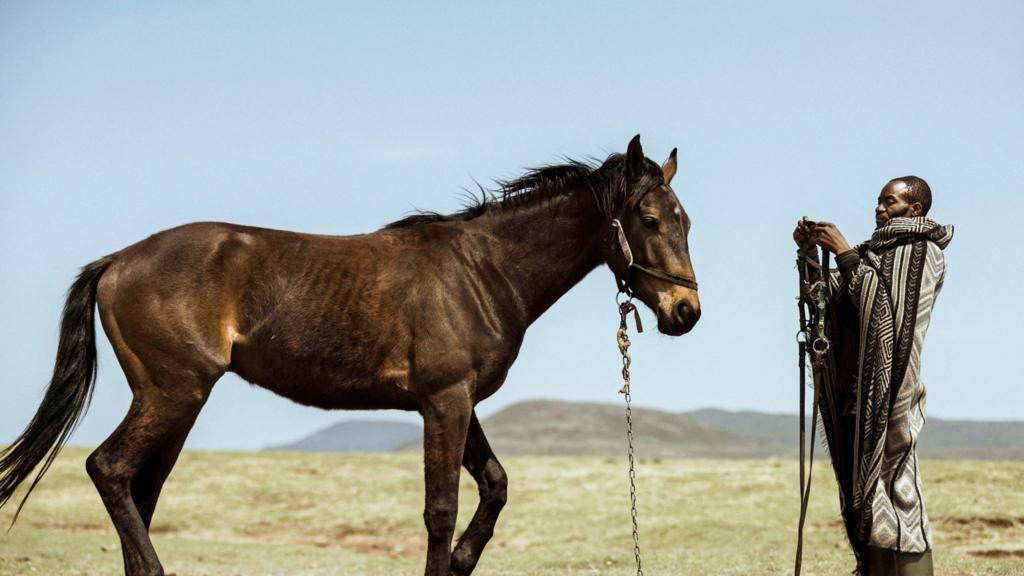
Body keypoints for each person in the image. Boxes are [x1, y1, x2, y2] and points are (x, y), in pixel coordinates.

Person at [793, 176, 953, 576]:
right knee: (862, 498)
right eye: (878, 202)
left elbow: (886, 316)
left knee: (899, 491)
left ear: (914, 209)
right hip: (854, 393)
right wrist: (810, 253)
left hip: (893, 391)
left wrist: (845, 253)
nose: (879, 208)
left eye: (889, 202)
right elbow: (824, 299)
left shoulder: (922, 252)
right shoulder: (872, 254)